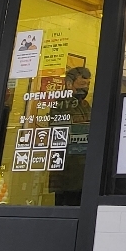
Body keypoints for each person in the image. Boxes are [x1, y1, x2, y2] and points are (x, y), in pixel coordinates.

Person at [49, 66, 93, 206]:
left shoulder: (85, 105)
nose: (85, 88)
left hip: (83, 171)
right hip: (67, 171)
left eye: (87, 84)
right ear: (69, 84)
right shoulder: (61, 104)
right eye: (82, 84)